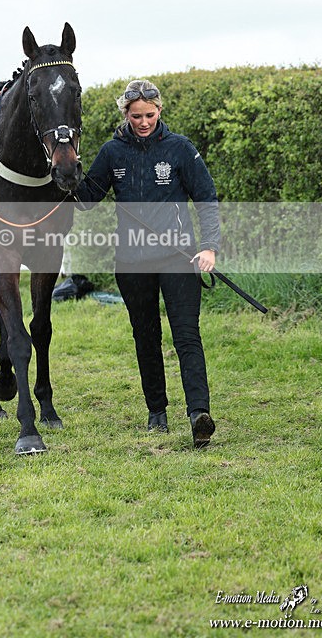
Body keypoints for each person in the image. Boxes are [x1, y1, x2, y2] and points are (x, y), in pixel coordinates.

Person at [75, 79, 220, 448]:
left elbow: (206, 198)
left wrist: (209, 247)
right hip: (132, 261)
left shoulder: (180, 149)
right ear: (125, 114)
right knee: (146, 337)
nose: (143, 122)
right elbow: (86, 200)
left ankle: (198, 415)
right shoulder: (111, 153)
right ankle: (157, 412)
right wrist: (68, 169)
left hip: (179, 258)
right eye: (136, 115)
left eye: (150, 115)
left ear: (160, 111)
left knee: (187, 335)